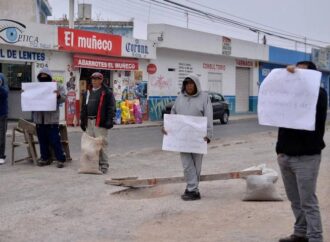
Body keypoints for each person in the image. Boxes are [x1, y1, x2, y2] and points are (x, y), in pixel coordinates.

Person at [277, 61, 327, 242]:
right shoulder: (289, 96)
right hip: (285, 156)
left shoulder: (319, 95)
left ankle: (315, 237)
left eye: (302, 74)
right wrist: (279, 150)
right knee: (295, 200)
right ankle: (300, 233)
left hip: (307, 157)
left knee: (308, 201)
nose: (297, 75)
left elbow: (314, 97)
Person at [163, 73, 213, 201]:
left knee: (197, 165)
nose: (189, 86)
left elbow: (209, 115)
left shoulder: (204, 98)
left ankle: (192, 189)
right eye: (187, 84)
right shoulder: (180, 97)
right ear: (184, 85)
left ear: (196, 84)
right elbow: (173, 112)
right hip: (183, 137)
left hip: (198, 137)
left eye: (191, 83)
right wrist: (167, 125)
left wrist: (208, 133)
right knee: (186, 164)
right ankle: (193, 188)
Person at [80, 72, 115, 174]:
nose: (94, 80)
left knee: (102, 144)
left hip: (100, 121)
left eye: (97, 79)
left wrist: (109, 120)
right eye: (93, 79)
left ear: (101, 80)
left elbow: (111, 107)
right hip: (89, 121)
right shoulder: (88, 92)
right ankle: (93, 164)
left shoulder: (107, 92)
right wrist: (83, 121)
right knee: (90, 145)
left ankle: (104, 165)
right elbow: (84, 107)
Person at [33, 68, 67, 168]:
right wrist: (26, 94)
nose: (43, 78)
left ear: (49, 76)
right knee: (42, 140)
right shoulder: (35, 87)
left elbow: (64, 98)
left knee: (55, 140)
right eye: (41, 76)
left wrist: (58, 95)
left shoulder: (57, 86)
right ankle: (45, 158)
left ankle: (60, 159)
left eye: (45, 76)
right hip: (39, 119)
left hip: (52, 119)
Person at [0, 73, 9, 165]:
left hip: (2, 114)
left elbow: (5, 94)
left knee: (1, 136)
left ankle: (1, 155)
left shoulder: (2, 77)